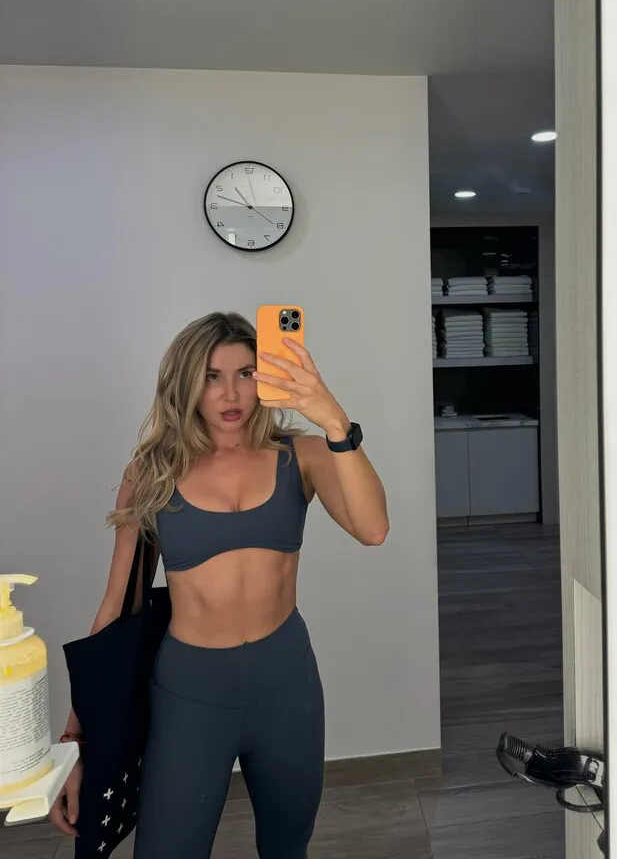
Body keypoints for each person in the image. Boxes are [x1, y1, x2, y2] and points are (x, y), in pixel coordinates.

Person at [49, 311, 389, 858]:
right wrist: (77, 740)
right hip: (191, 694)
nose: (231, 394)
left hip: (287, 685)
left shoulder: (302, 455)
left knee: (287, 849)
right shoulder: (153, 472)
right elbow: (116, 608)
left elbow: (373, 530)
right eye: (212, 376)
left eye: (246, 373)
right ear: (186, 383)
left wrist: (333, 420)